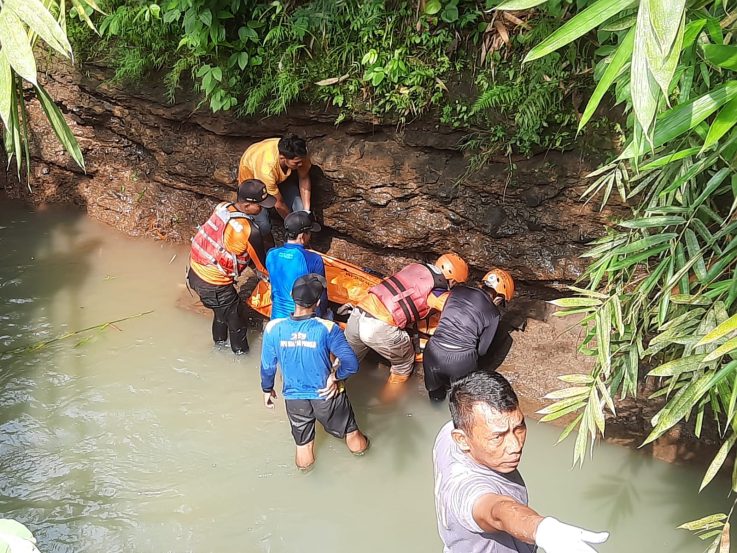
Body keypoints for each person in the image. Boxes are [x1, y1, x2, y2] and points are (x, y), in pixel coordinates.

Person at [433, 370, 609, 553]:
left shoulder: (448, 433)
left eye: (519, 427)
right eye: (498, 436)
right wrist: (543, 530)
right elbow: (497, 512)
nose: (514, 445)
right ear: (461, 439)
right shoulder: (467, 489)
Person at [261, 273, 369, 470]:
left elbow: (268, 365)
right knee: (352, 433)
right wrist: (335, 377)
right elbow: (351, 363)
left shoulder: (273, 328)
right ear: (318, 302)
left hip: (294, 398)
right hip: (326, 395)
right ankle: (364, 459)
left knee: (303, 445)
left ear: (292, 296)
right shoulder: (327, 328)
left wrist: (267, 389)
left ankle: (306, 477)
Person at [344, 253, 469, 387]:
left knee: (344, 363)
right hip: (380, 326)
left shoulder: (414, 267)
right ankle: (386, 402)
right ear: (453, 281)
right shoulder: (437, 290)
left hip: (359, 312)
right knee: (403, 365)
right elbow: (454, 310)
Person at [187, 179, 275, 354]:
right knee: (237, 320)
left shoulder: (223, 208)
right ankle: (240, 356)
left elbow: (229, 246)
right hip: (214, 284)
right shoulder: (250, 231)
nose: (263, 209)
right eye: (260, 205)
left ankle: (218, 345)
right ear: (247, 206)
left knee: (221, 313)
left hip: (195, 272)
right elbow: (262, 266)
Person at [424, 269, 515, 402]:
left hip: (432, 352)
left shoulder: (456, 291)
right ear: (499, 296)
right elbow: (482, 351)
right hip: (460, 361)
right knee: (461, 403)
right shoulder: (493, 314)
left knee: (435, 397)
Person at [238, 134, 312, 241]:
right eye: (296, 163)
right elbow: (279, 204)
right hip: (254, 186)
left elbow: (304, 178)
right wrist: (294, 225)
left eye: (301, 161)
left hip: (277, 179)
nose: (301, 164)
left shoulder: (299, 154)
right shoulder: (266, 170)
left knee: (300, 208)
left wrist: (306, 211)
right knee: (263, 226)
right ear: (282, 157)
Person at [265, 210, 327, 320]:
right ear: (302, 236)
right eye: (310, 232)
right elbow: (321, 296)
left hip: (276, 318)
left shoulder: (271, 254)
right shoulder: (314, 259)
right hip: (303, 320)